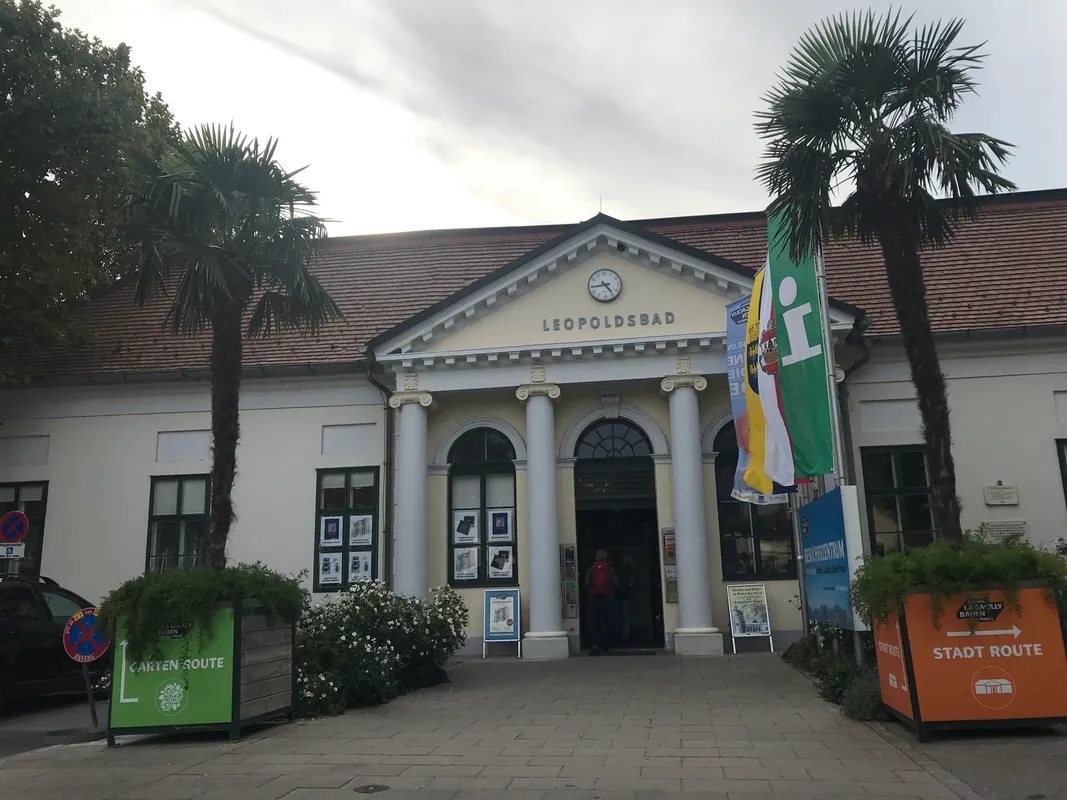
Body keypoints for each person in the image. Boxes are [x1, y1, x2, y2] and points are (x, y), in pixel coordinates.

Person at [585, 548, 617, 655]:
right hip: (607, 598)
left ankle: (595, 644)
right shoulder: (610, 569)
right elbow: (616, 583)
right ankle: (605, 645)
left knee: (594, 622)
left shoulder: (592, 568)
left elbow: (586, 583)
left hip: (594, 598)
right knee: (606, 622)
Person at [613, 551, 634, 645]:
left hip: (615, 595)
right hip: (626, 594)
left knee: (616, 616)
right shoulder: (628, 567)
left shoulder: (613, 567)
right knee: (626, 617)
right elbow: (632, 581)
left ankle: (616, 635)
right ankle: (625, 636)